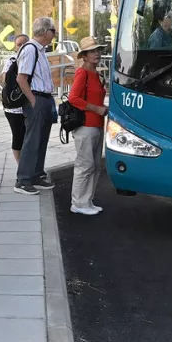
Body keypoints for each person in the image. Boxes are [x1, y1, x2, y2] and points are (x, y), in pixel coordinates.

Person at [13, 16, 58, 196]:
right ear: (46, 32)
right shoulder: (31, 49)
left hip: (44, 98)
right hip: (36, 99)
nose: (55, 34)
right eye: (53, 30)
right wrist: (32, 99)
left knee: (41, 139)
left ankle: (36, 175)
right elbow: (21, 78)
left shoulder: (39, 50)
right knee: (32, 140)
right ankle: (23, 180)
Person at [67, 37, 108, 215]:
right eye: (92, 51)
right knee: (85, 165)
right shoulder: (82, 73)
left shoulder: (96, 73)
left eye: (98, 50)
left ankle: (87, 201)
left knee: (95, 165)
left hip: (97, 124)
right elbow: (73, 98)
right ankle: (78, 203)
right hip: (86, 125)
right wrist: (96, 108)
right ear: (84, 56)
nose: (97, 53)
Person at [3, 33, 31, 164]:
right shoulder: (12, 60)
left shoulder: (32, 59)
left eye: (25, 44)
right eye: (19, 44)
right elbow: (4, 79)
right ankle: (20, 165)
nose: (22, 47)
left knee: (28, 135)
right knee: (18, 135)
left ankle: (28, 164)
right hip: (14, 105)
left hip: (28, 104)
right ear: (15, 47)